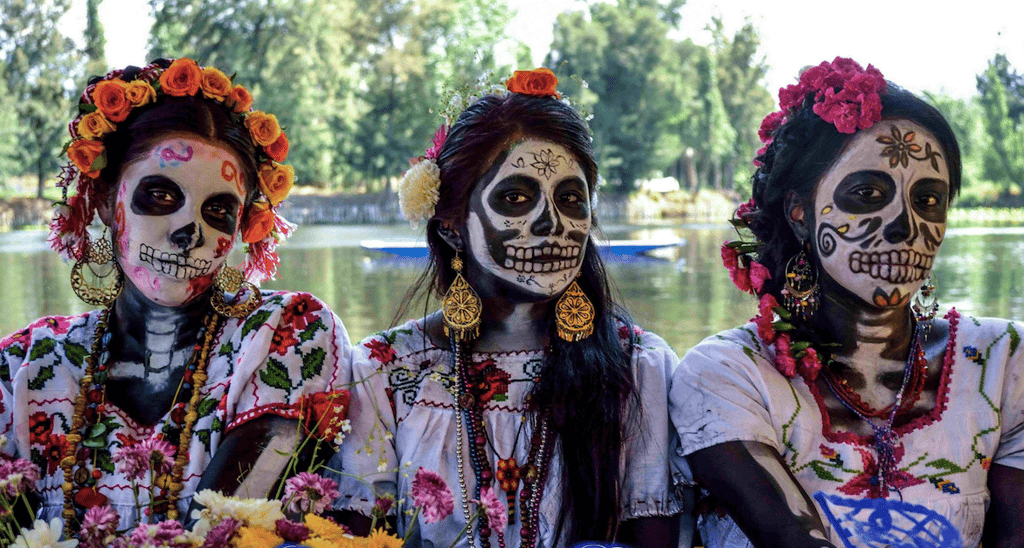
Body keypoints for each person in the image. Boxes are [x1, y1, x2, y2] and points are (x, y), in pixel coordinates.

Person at [669, 57, 1024, 548]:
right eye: (867, 193)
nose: (905, 227)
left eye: (928, 200)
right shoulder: (729, 375)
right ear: (799, 211)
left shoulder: (1003, 363)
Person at [331, 69, 688, 547]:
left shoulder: (639, 366)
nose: (552, 224)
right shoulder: (385, 371)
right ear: (451, 226)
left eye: (570, 199)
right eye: (515, 198)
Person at [0, 58, 350, 534]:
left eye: (219, 210)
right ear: (107, 201)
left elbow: (222, 536)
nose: (190, 233)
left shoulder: (287, 334)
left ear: (243, 225)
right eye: (161, 196)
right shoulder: (26, 366)